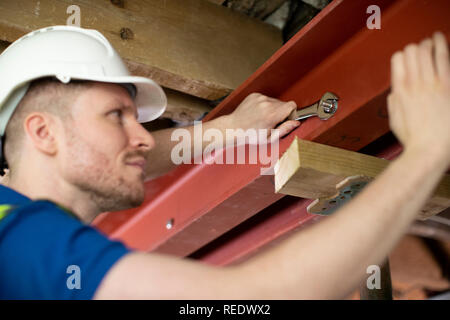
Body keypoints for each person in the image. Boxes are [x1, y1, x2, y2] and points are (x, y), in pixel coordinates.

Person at [0, 25, 448, 299]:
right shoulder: (21, 241)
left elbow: (107, 155)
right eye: (115, 116)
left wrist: (223, 132)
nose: (142, 137)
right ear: (43, 133)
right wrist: (426, 153)